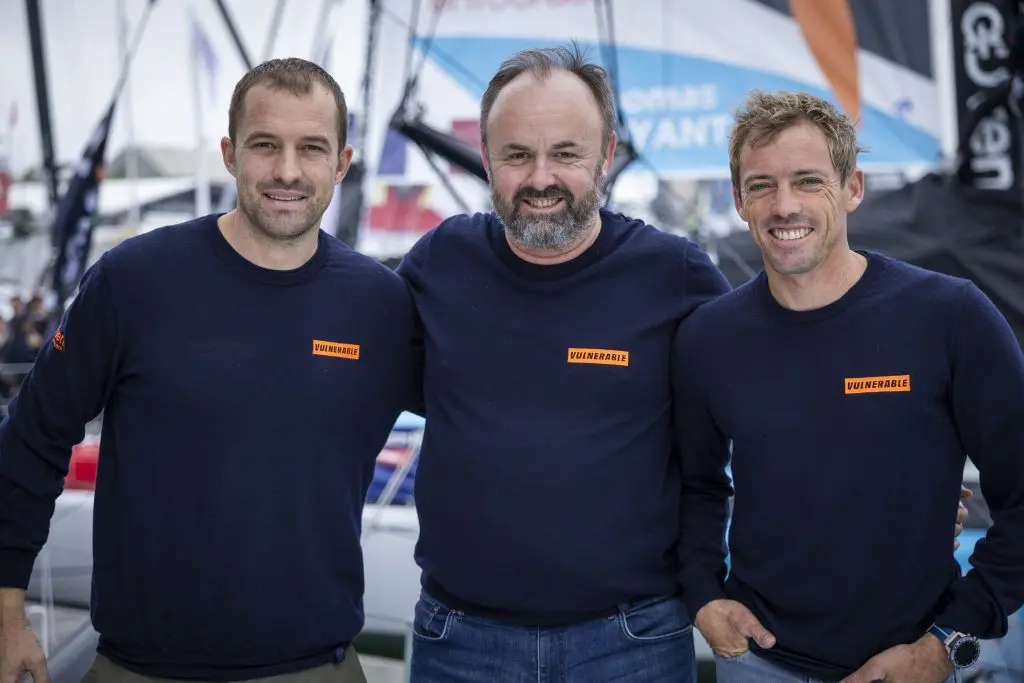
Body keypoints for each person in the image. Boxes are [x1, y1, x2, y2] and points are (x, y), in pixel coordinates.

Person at [394, 46, 968, 683]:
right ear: (486, 158)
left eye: (566, 153)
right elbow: (350, 379)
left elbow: (790, 389)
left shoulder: (676, 274)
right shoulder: (439, 261)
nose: (540, 178)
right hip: (460, 643)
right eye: (516, 155)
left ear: (607, 155)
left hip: (629, 643)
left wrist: (912, 494)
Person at [0, 58, 414, 683]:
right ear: (229, 153)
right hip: (139, 669)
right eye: (265, 145)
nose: (287, 171)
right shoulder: (133, 280)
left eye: (312, 148)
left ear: (342, 162)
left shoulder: (382, 305)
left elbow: (485, 417)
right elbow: (32, 438)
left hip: (316, 667)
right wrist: (7, 610)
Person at [671, 89, 1024, 683]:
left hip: (917, 662)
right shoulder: (709, 337)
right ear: (738, 200)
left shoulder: (949, 316)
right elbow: (694, 488)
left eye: (809, 181)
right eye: (762, 186)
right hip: (760, 665)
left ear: (853, 188)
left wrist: (947, 641)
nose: (785, 206)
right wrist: (704, 595)